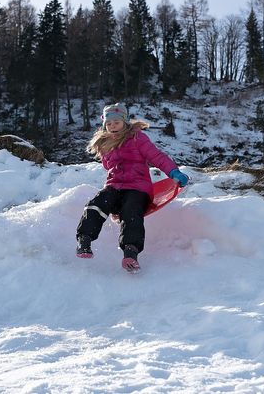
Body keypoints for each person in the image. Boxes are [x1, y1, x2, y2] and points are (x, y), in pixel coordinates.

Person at [75, 103, 189, 273]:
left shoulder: (137, 138)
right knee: (97, 203)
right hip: (114, 187)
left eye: (116, 122)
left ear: (125, 122)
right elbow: (109, 167)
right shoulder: (106, 143)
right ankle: (84, 240)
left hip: (137, 189)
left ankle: (130, 252)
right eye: (109, 124)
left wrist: (173, 172)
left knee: (131, 211)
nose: (113, 126)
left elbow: (157, 157)